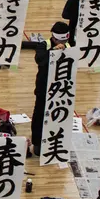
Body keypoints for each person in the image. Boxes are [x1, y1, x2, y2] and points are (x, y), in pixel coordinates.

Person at [30, 22, 71, 159]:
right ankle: (37, 141)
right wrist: (53, 52)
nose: (63, 42)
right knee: (40, 115)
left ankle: (57, 140)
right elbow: (40, 60)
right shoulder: (44, 45)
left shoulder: (70, 45)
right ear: (54, 38)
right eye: (61, 40)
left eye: (65, 40)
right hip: (44, 87)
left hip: (62, 88)